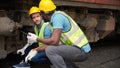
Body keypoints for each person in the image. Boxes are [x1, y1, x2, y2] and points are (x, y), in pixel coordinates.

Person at [27, 0, 91, 68]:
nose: (41, 16)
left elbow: (54, 42)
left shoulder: (57, 18)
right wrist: (35, 50)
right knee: (55, 50)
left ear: (44, 13)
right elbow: (52, 44)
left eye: (41, 13)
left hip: (82, 51)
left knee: (50, 50)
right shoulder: (51, 22)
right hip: (75, 48)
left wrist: (36, 39)